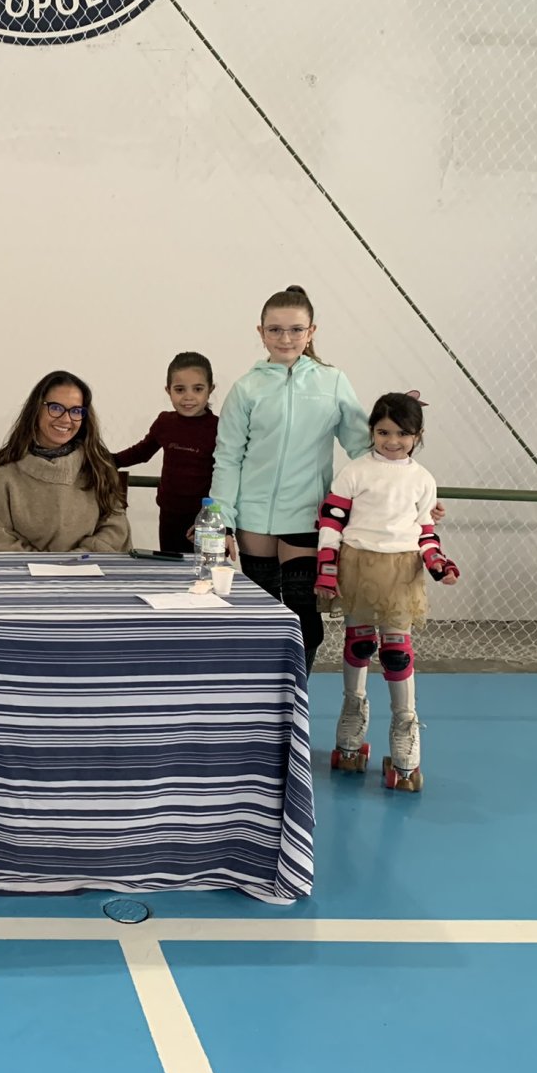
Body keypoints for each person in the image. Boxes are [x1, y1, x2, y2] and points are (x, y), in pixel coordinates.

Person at [209, 285, 372, 672]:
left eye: (296, 329)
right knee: (261, 616)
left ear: (311, 331)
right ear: (261, 332)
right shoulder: (246, 388)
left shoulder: (333, 382)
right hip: (254, 519)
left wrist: (410, 492)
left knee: (304, 617)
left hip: (306, 515)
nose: (286, 338)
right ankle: (264, 695)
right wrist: (221, 521)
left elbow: (365, 450)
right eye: (275, 329)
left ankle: (297, 693)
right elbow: (228, 458)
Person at [316, 392, 460, 793]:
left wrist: (437, 563)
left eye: (402, 433)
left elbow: (425, 531)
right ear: (371, 432)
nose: (392, 441)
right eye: (383, 432)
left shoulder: (423, 479)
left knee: (396, 651)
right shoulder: (355, 471)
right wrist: (327, 567)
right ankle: (352, 713)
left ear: (418, 435)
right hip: (358, 565)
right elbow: (332, 521)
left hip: (401, 570)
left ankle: (405, 726)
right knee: (360, 643)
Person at [0, 370, 131, 553]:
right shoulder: (5, 474)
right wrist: (43, 565)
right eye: (56, 408)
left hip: (88, 568)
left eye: (76, 411)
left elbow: (116, 528)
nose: (66, 419)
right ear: (36, 409)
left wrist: (76, 559)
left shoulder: (98, 466)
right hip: (24, 570)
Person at [113, 351, 218, 554]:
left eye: (197, 389)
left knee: (203, 568)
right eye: (180, 389)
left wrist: (215, 517)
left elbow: (227, 474)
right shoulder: (165, 422)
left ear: (210, 390)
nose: (188, 397)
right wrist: (108, 460)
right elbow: (141, 452)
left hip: (203, 516)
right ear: (168, 390)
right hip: (169, 514)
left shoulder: (219, 428)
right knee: (170, 564)